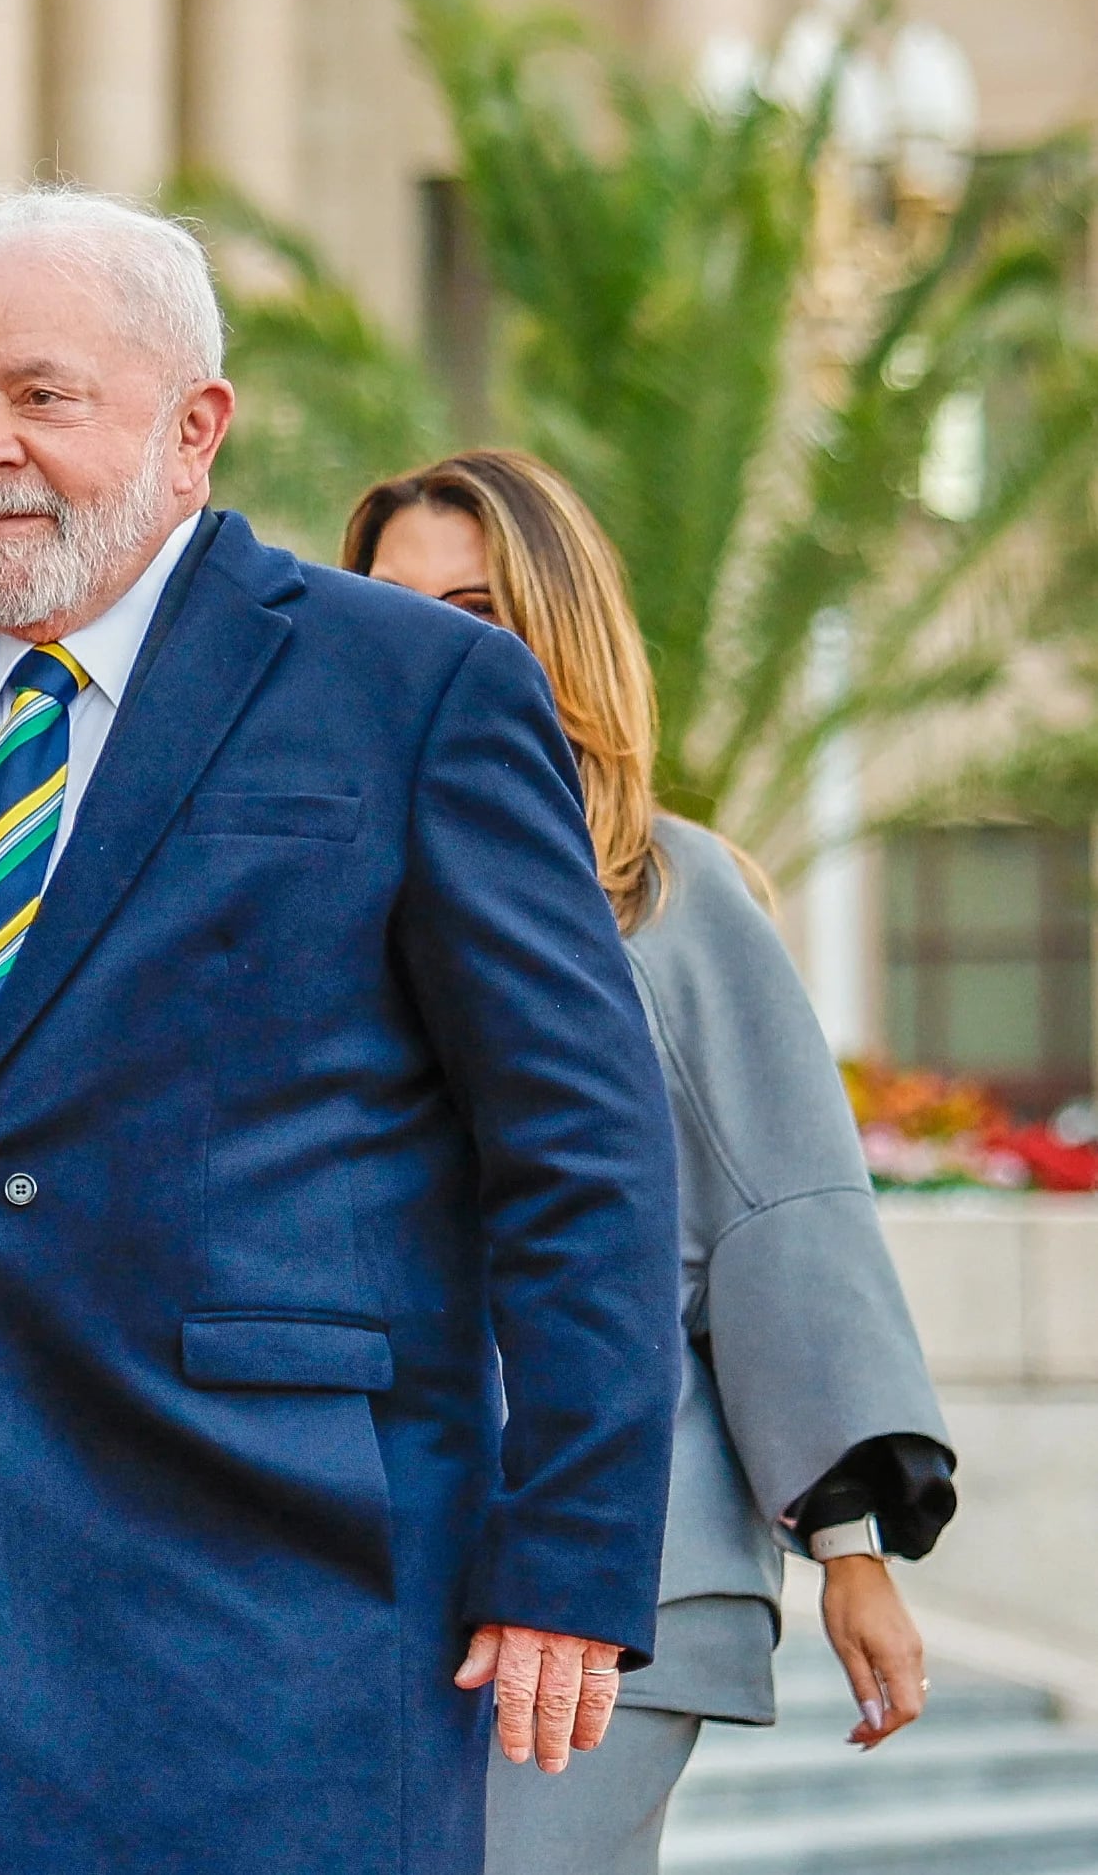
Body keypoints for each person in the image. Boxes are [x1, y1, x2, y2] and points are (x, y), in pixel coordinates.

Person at [0, 183, 681, 1875]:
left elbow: (578, 1151)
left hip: (289, 1606)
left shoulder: (410, 692)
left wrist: (571, 1551)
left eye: (40, 395)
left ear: (192, 430)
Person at [347, 449, 958, 1875]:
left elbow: (782, 1224)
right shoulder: (332, 890)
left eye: (477, 607)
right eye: (388, 607)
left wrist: (848, 1549)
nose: (430, 644)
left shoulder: (667, 897)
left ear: (558, 630)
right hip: (377, 1557)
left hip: (624, 1559)